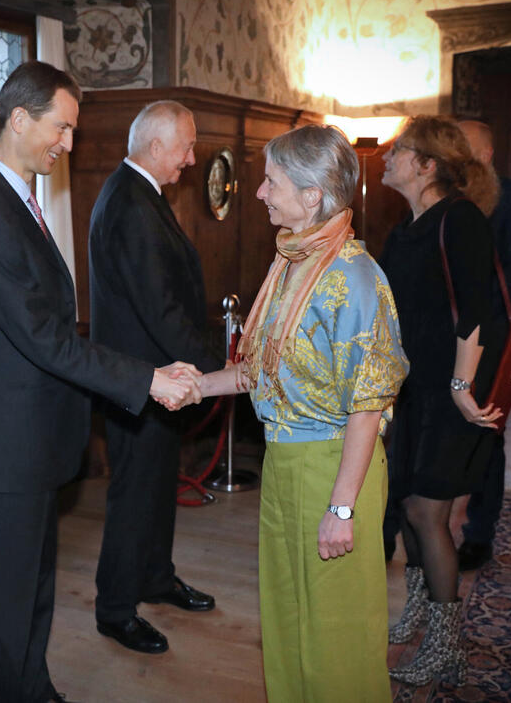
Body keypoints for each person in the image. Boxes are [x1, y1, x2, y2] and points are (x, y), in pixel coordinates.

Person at [0, 61, 202, 703]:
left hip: (35, 437)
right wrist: (145, 377)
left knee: (34, 588)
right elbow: (45, 339)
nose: (68, 143)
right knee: (8, 604)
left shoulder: (16, 200)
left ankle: (35, 689)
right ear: (20, 118)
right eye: (61, 128)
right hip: (10, 444)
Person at [199, 124, 408, 701]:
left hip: (336, 468)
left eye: (271, 181)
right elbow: (262, 370)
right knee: (288, 621)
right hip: (284, 465)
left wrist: (341, 507)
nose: (261, 193)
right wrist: (195, 386)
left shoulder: (353, 276)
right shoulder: (292, 261)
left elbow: (367, 406)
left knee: (338, 636)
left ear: (313, 196)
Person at [88, 101, 224, 655]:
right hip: (140, 382)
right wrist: (218, 370)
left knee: (156, 489)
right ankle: (115, 609)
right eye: (186, 147)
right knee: (134, 496)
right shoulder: (132, 203)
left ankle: (155, 577)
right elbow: (160, 309)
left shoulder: (140, 193)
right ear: (155, 146)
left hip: (158, 380)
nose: (192, 160)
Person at [378, 115, 506, 686]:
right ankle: (418, 611)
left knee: (430, 512)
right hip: (411, 391)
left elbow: (477, 309)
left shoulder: (460, 219)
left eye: (399, 149)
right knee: (407, 503)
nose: (386, 155)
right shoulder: (403, 228)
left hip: (452, 393)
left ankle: (446, 643)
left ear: (427, 164)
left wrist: (460, 386)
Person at [455, 119, 511, 571]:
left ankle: (479, 533)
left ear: (486, 155)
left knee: (486, 434)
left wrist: (466, 318)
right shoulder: (443, 198)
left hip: (490, 336)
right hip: (442, 337)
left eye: (463, 148)